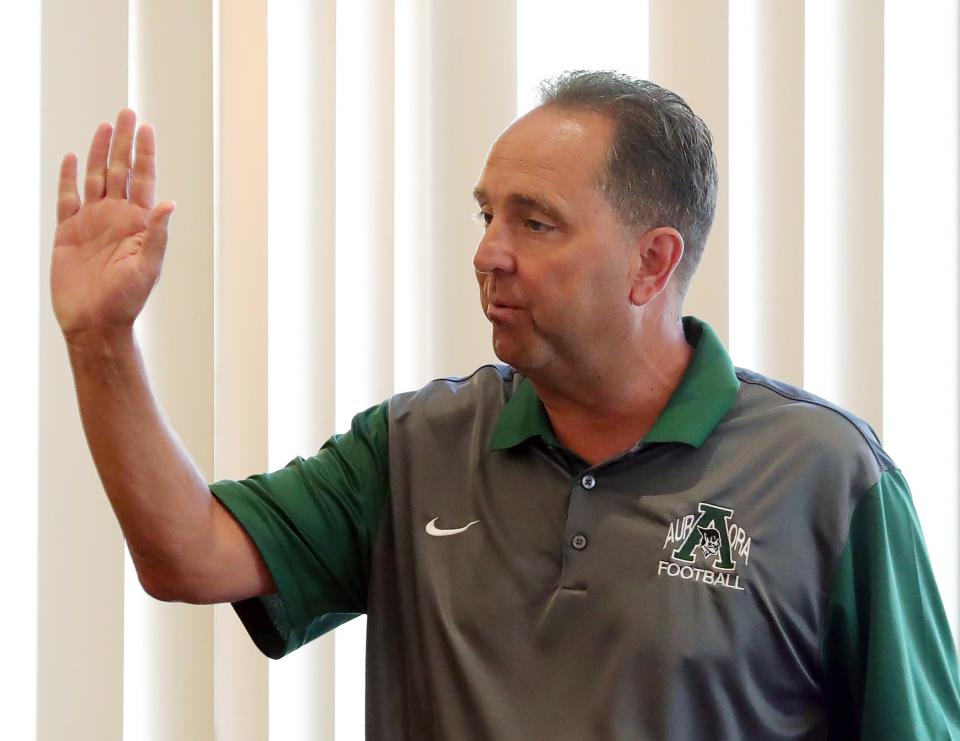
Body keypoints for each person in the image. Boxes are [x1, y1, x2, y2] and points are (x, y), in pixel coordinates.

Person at [52, 70, 960, 739]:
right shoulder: (415, 446)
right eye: (486, 214)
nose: (489, 252)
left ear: (651, 262)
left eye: (534, 221)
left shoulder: (826, 476)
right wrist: (102, 342)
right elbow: (187, 554)